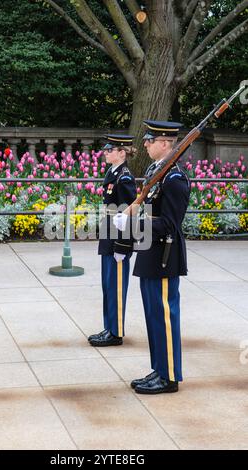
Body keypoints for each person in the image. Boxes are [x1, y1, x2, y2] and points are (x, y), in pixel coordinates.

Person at [115, 120, 190, 393]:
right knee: (153, 316)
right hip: (150, 253)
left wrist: (134, 225)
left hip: (165, 256)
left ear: (165, 144)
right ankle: (158, 368)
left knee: (165, 316)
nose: (144, 144)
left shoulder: (175, 180)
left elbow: (170, 224)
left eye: (149, 139)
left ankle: (169, 376)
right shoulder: (155, 171)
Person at [88, 134, 137, 347]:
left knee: (116, 287)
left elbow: (129, 214)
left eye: (110, 149)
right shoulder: (113, 173)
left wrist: (123, 245)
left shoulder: (124, 178)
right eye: (106, 148)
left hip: (118, 242)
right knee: (108, 286)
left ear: (122, 152)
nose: (105, 152)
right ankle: (109, 327)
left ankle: (115, 332)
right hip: (109, 238)